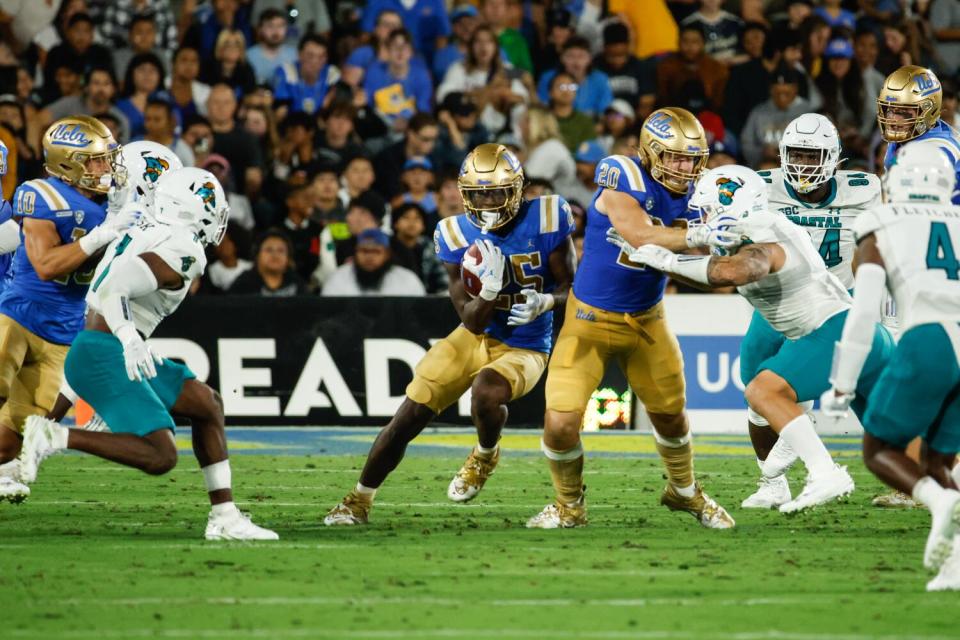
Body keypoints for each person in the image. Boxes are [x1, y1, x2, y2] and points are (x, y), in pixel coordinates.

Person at [610, 164, 893, 514]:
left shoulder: (759, 229)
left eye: (708, 208)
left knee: (762, 390)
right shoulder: (757, 226)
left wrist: (670, 259)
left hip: (832, 330)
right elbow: (720, 274)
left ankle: (824, 472)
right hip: (859, 332)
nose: (703, 216)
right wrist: (666, 263)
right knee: (894, 437)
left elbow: (739, 270)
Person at [17, 167, 278, 541]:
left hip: (98, 348)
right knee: (161, 456)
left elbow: (104, 294)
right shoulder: (185, 248)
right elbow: (114, 291)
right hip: (107, 350)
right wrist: (129, 339)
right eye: (212, 207)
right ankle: (56, 438)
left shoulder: (143, 229)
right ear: (195, 210)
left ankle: (224, 516)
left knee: (207, 405)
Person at [323, 143, 575, 524]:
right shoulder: (454, 232)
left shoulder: (548, 216)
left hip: (526, 343)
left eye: (496, 192)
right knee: (407, 417)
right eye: (479, 194)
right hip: (474, 335)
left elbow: (573, 289)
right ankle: (358, 500)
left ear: (519, 189)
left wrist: (546, 302)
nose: (488, 202)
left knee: (486, 392)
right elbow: (471, 320)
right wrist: (490, 291)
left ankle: (485, 454)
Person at [527, 107, 735, 530]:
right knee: (561, 423)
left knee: (672, 417)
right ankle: (569, 505)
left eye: (692, 157)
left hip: (647, 321)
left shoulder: (705, 190)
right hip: (588, 319)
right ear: (649, 151)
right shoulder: (621, 172)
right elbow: (638, 233)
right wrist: (701, 235)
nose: (685, 166)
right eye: (675, 157)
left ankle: (683, 490)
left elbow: (722, 254)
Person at [820, 145, 960, 591]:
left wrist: (843, 382)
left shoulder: (879, 220)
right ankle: (954, 564)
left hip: (930, 337)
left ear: (896, 176)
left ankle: (938, 503)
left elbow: (864, 313)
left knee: (878, 449)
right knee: (940, 459)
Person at [740, 114, 881, 510]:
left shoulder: (865, 190)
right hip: (777, 304)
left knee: (870, 396)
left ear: (835, 159)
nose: (803, 165)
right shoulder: (760, 187)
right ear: (782, 154)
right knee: (756, 394)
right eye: (796, 154)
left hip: (836, 305)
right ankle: (773, 482)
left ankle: (912, 473)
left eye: (813, 155)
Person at [0, 116, 131, 501]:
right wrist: (102, 236)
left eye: (108, 158)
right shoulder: (43, 194)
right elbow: (44, 265)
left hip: (64, 329)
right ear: (67, 164)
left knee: (9, 444)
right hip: (19, 313)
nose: (106, 168)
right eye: (95, 161)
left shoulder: (119, 200)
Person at [878, 66, 960, 205]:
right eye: (888, 110)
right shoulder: (908, 135)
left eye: (903, 112)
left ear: (928, 111)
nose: (892, 119)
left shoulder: (937, 150)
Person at [741, 66, 812, 168]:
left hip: (799, 165)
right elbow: (746, 142)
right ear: (771, 90)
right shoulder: (759, 112)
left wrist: (792, 155)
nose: (781, 97)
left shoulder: (807, 112)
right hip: (766, 164)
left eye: (786, 93)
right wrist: (762, 152)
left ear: (795, 89)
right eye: (777, 93)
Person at [363, 28, 433, 131]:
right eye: (395, 47)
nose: (400, 52)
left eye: (404, 48)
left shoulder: (421, 76)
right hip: (379, 127)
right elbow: (368, 104)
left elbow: (423, 110)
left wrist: (409, 124)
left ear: (411, 52)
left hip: (411, 128)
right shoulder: (374, 72)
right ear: (387, 51)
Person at [322, 228, 426, 297]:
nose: (369, 257)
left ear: (387, 254)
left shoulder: (407, 280)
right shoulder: (339, 278)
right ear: (355, 253)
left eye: (376, 251)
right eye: (364, 251)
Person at [40, 67, 131, 144]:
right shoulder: (69, 104)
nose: (101, 89)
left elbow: (122, 154)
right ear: (86, 87)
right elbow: (38, 121)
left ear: (113, 89)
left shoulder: (121, 119)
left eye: (106, 84)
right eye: (96, 83)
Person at [655, 24, 728, 113]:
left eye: (695, 42)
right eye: (685, 41)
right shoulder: (665, 67)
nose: (689, 46)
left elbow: (718, 103)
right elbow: (663, 100)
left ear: (703, 44)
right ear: (678, 43)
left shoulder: (717, 69)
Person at [537, 37, 612, 119]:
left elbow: (605, 112)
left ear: (590, 59)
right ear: (562, 58)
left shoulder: (600, 79)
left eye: (581, 56)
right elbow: (542, 107)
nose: (576, 62)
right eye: (570, 56)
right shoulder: (548, 78)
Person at [273, 34, 341, 117]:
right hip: (291, 124)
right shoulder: (286, 72)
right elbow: (280, 112)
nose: (315, 61)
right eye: (310, 55)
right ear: (299, 54)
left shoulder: (332, 73)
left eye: (321, 56)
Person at [229, 228, 306, 296]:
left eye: (281, 250)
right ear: (257, 255)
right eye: (269, 250)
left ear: (288, 258)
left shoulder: (296, 283)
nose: (275, 255)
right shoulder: (243, 285)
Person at [390, 202, 447, 293]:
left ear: (423, 226)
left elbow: (442, 278)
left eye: (417, 218)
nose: (411, 223)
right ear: (395, 223)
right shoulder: (387, 247)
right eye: (406, 217)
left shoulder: (430, 247)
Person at [116, 53, 166, 141]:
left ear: (160, 75)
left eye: (152, 70)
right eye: (142, 69)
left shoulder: (168, 103)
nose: (147, 75)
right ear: (132, 74)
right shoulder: (119, 106)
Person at [680, 0, 744, 64]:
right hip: (703, 69)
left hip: (737, 68)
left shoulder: (736, 21)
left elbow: (748, 52)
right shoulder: (687, 24)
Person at [246, 8, 298, 86]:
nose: (276, 31)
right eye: (270, 26)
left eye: (280, 26)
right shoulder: (249, 56)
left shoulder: (295, 55)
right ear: (260, 29)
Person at [548, 71, 595, 153]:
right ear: (550, 92)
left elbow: (589, 150)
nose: (566, 91)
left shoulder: (585, 121)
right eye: (561, 87)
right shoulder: (542, 119)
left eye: (571, 86)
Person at [141, 98, 194, 168]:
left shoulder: (182, 150)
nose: (151, 124)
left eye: (157, 119)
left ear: (170, 121)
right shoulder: (135, 144)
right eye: (148, 119)